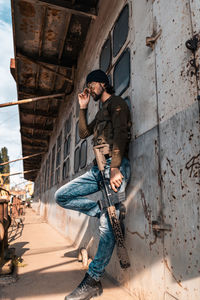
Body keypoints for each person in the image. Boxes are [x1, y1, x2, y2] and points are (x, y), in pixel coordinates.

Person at [55, 69, 132, 300]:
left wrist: (116, 167)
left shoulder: (117, 103)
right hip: (97, 169)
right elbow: (82, 133)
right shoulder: (100, 112)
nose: (90, 90)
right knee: (62, 196)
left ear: (102, 83)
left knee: (108, 228)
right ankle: (101, 211)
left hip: (113, 166)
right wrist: (82, 106)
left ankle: (93, 280)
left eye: (91, 86)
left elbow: (121, 133)